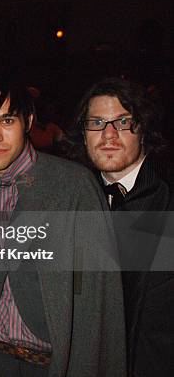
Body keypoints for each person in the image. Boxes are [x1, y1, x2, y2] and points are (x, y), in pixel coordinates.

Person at [0, 81, 126, 376]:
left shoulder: (73, 185)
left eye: (6, 120)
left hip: (54, 361)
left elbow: (97, 293)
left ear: (28, 121)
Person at [75, 77, 174, 377]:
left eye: (122, 122)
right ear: (83, 135)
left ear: (143, 129)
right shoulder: (74, 198)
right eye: (97, 122)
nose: (108, 134)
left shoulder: (166, 200)